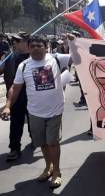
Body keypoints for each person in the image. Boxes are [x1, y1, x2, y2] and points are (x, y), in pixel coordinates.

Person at [1, 36, 71, 188]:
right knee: (43, 144)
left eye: (39, 45)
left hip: (55, 111)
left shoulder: (56, 58)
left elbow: (79, 58)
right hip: (34, 112)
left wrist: (72, 42)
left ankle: (57, 172)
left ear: (46, 47)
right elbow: (15, 87)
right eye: (32, 46)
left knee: (52, 142)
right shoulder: (24, 66)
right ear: (28, 48)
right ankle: (48, 167)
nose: (35, 48)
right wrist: (7, 105)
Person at [0, 32, 32, 161]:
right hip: (14, 96)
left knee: (33, 123)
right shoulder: (9, 57)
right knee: (15, 123)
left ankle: (35, 138)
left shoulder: (35, 56)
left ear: (26, 42)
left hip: (32, 97)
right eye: (13, 40)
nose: (14, 43)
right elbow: (1, 70)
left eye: (18, 41)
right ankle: (14, 148)